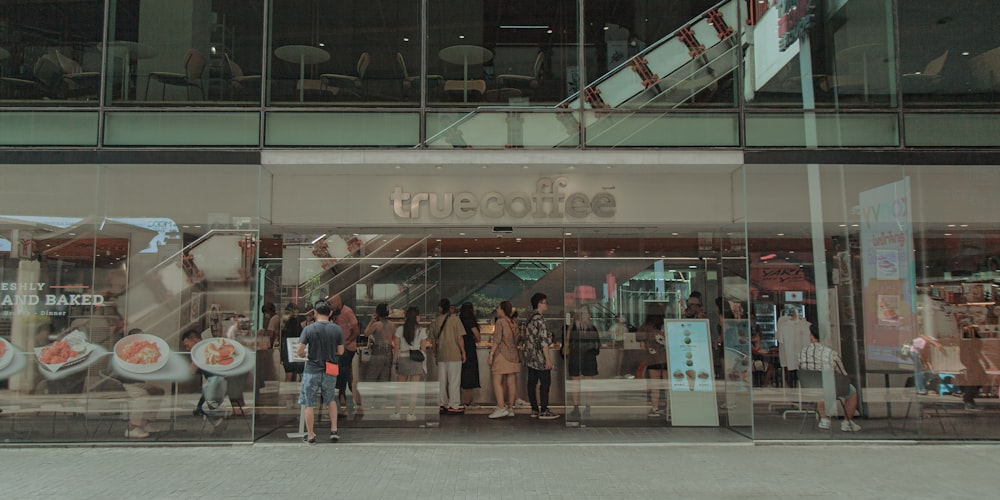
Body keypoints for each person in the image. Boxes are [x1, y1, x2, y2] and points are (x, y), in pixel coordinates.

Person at [297, 300, 345, 444]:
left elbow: (300, 351)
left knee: (309, 403)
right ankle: (334, 430)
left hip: (312, 369)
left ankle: (311, 435)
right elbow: (341, 351)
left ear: (315, 313)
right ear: (330, 313)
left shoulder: (309, 329)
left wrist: (304, 355)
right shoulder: (337, 329)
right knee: (330, 400)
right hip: (330, 369)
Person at [798, 330, 861, 432]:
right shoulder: (831, 353)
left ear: (811, 337)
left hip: (810, 387)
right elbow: (843, 373)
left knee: (819, 389)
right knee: (852, 392)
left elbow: (801, 368)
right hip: (829, 388)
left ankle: (824, 420)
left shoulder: (802, 353)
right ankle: (847, 423)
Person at [523, 293, 559, 420]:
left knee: (531, 383)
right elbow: (543, 341)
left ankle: (534, 409)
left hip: (530, 356)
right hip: (540, 357)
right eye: (545, 302)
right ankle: (544, 409)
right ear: (539, 304)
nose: (547, 304)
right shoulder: (540, 320)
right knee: (545, 383)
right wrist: (548, 359)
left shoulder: (529, 318)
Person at [430, 298, 466, 414]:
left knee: (442, 381)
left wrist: (435, 353)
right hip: (454, 354)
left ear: (440, 308)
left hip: (441, 355)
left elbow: (433, 340)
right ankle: (454, 405)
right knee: (454, 381)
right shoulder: (455, 320)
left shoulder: (436, 321)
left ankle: (442, 404)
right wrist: (463, 352)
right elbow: (460, 337)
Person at [391, 306, 427, 421]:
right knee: (414, 389)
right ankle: (410, 414)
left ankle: (397, 412)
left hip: (402, 360)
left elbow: (396, 347)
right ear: (416, 317)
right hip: (416, 361)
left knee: (400, 388)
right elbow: (423, 349)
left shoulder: (400, 330)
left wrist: (395, 361)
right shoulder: (421, 331)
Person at [328, 294, 362, 416]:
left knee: (343, 376)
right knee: (336, 376)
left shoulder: (347, 312)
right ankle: (340, 405)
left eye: (332, 302)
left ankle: (346, 405)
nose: (330, 305)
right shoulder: (333, 314)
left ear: (338, 301)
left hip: (346, 349)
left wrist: (346, 343)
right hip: (337, 350)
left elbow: (356, 330)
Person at [567, 303, 601, 420]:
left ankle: (576, 408)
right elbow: (597, 347)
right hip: (589, 358)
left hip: (575, 358)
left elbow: (568, 344)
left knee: (575, 385)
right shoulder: (593, 328)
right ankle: (588, 407)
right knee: (588, 385)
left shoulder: (572, 328)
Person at [488, 301, 520, 419]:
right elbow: (517, 339)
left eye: (498, 308)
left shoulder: (500, 322)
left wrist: (491, 354)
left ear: (502, 310)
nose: (497, 310)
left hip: (502, 355)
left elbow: (497, 339)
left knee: (497, 380)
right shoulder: (513, 323)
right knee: (511, 381)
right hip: (513, 355)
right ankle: (510, 408)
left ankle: (501, 407)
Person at [639, 303, 667, 418]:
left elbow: (641, 345)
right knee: (667, 385)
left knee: (654, 385)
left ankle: (655, 408)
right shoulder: (666, 326)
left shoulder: (645, 327)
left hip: (653, 359)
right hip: (666, 358)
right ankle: (669, 408)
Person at [360, 303, 395, 383]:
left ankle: (370, 394)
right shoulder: (392, 324)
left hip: (378, 352)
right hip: (389, 352)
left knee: (371, 377)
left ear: (377, 312)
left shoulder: (377, 324)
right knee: (384, 378)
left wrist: (371, 321)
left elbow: (366, 333)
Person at [958, 326, 989, 410]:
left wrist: (984, 361)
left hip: (971, 360)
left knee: (981, 378)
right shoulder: (969, 340)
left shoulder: (971, 340)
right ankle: (968, 400)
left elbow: (977, 351)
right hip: (970, 361)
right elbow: (975, 351)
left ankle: (968, 397)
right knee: (974, 380)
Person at [458, 302, 482, 406]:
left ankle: (461, 400)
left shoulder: (459, 321)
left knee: (461, 376)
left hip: (459, 350)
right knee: (470, 376)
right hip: (470, 351)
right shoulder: (470, 321)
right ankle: (467, 401)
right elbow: (478, 336)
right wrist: (475, 339)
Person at [280, 303, 305, 382]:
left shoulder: (287, 322)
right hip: (296, 346)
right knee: (300, 373)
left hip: (289, 347)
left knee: (289, 373)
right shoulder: (298, 321)